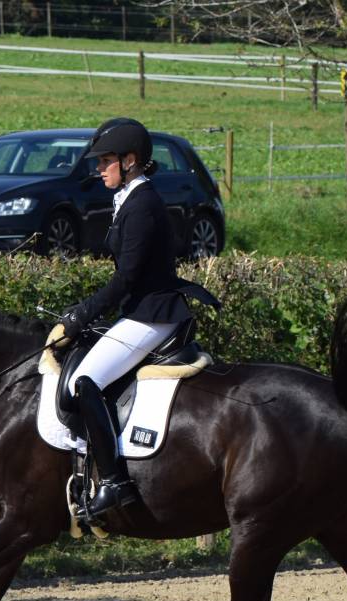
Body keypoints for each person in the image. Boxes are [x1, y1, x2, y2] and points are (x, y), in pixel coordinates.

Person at [58, 117, 220, 521]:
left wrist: (82, 312)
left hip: (154, 315)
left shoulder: (143, 204)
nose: (99, 169)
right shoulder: (129, 198)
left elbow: (127, 276)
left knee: (85, 382)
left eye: (106, 161)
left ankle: (116, 483)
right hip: (141, 310)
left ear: (130, 161)